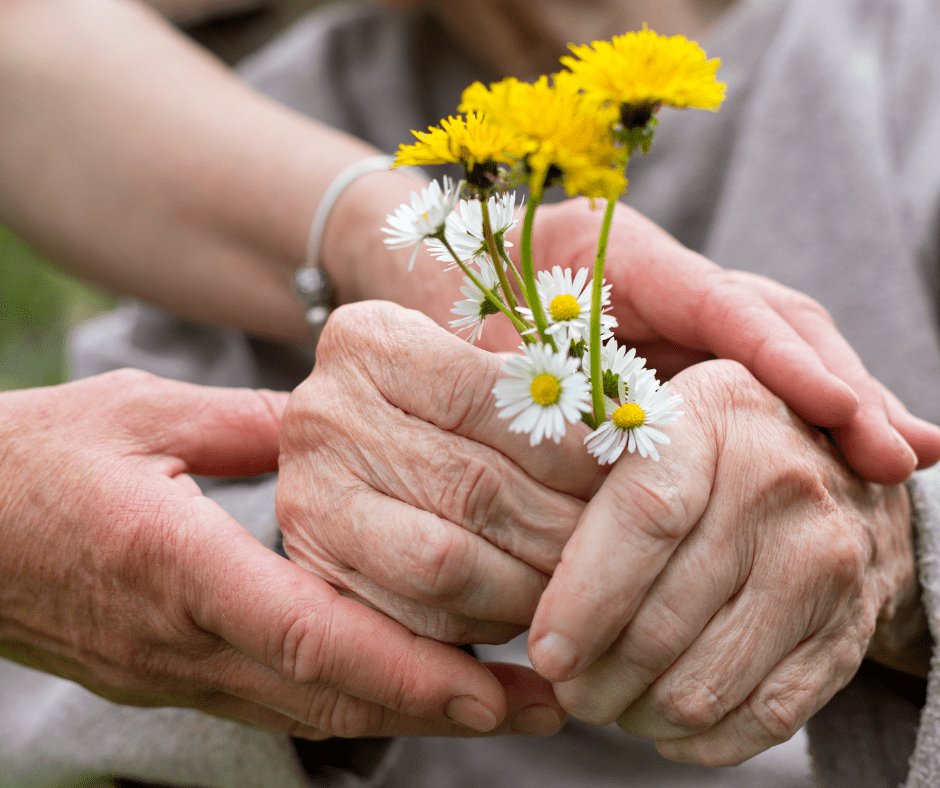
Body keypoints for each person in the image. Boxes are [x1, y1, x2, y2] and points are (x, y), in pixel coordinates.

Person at [0, 1, 937, 788]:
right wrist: (352, 551)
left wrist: (905, 559)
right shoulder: (257, 119)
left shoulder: (898, 70)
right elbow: (83, 624)